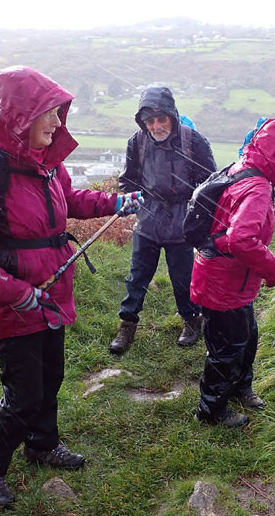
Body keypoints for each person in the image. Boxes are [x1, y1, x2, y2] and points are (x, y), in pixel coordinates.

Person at [0, 66, 142, 510]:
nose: (57, 123)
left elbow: (69, 202)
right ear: (20, 116)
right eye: (49, 113)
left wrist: (117, 202)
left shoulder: (44, 160)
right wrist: (15, 292)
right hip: (7, 306)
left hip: (49, 295)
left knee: (51, 377)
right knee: (25, 392)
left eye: (57, 112)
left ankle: (42, 444)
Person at [191, 118, 275, 428]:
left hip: (229, 279)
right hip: (223, 283)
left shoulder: (244, 167)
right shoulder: (257, 186)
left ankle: (240, 388)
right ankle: (211, 411)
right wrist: (273, 268)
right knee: (226, 348)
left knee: (246, 337)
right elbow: (241, 239)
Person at [109, 85, 217, 354]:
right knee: (137, 276)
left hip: (183, 221)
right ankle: (127, 324)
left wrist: (197, 215)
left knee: (183, 277)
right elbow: (129, 179)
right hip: (148, 219)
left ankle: (192, 320)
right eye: (150, 121)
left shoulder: (194, 141)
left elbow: (211, 183)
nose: (156, 126)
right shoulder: (137, 142)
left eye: (161, 119)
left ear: (172, 115)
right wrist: (130, 198)